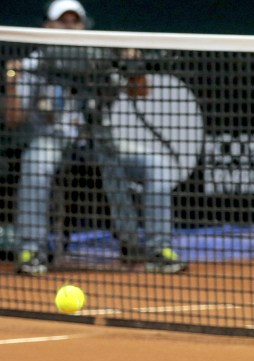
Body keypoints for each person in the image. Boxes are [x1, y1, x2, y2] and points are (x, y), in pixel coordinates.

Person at [4, 0, 188, 275]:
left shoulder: (100, 57)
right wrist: (12, 79)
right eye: (62, 21)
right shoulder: (35, 62)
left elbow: (140, 92)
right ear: (47, 26)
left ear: (85, 24)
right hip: (52, 139)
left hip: (99, 140)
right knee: (36, 164)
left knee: (156, 165)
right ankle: (31, 251)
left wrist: (133, 64)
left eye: (74, 21)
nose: (69, 26)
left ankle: (158, 250)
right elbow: (13, 120)